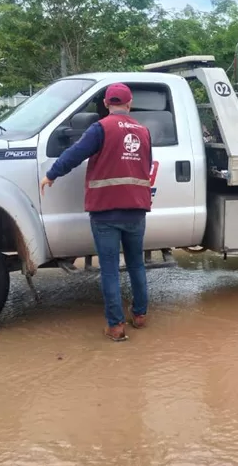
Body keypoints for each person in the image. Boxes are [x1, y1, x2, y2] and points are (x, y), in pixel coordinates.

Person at [40, 83, 153, 342]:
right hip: (136, 209)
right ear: (129, 103)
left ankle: (116, 327)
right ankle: (140, 316)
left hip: (106, 212)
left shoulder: (100, 128)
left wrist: (51, 175)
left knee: (111, 269)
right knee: (137, 263)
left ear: (105, 104)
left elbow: (74, 154)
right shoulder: (143, 131)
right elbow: (145, 164)